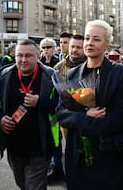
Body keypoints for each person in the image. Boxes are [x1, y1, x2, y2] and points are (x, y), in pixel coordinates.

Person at [56, 20, 123, 190]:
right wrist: (84, 118)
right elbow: (61, 112)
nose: (89, 43)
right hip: (77, 153)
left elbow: (121, 115)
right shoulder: (72, 74)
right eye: (87, 38)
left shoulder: (119, 72)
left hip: (108, 153)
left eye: (96, 39)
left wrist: (92, 127)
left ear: (107, 44)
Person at [0, 39, 59, 190]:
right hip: (14, 146)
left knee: (34, 187)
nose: (23, 60)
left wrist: (40, 102)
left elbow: (63, 105)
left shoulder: (51, 76)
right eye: (19, 55)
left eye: (28, 55)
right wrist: (0, 118)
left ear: (38, 55)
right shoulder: (4, 74)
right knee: (22, 184)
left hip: (40, 146)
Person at [48, 34, 86, 183]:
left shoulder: (90, 64)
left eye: (78, 47)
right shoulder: (59, 67)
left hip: (89, 115)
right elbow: (56, 93)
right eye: (72, 47)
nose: (75, 50)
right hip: (67, 117)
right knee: (70, 150)